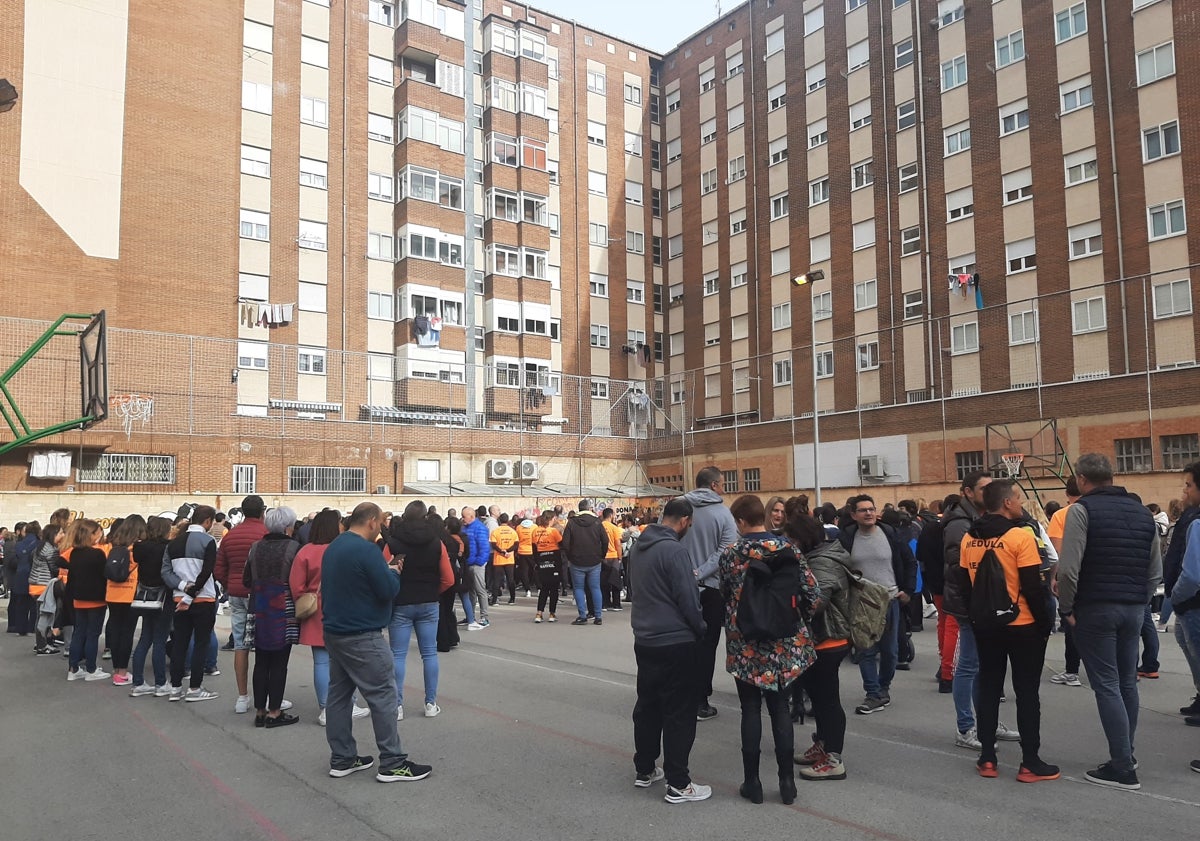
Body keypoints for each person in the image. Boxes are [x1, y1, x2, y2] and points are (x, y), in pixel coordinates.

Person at [1057, 453, 1161, 790]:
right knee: (1127, 681)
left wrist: (1066, 607)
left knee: (1107, 684)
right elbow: (1154, 571)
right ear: (1111, 478)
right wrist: (1141, 600)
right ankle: (1125, 753)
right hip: (1133, 606)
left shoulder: (1082, 511)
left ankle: (1122, 766)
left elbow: (1069, 568)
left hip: (1096, 606)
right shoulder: (1143, 513)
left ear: (1083, 481)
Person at [321, 502, 432, 782]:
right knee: (383, 695)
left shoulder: (335, 546)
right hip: (363, 633)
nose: (382, 528)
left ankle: (343, 757)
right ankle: (393, 762)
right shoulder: (367, 550)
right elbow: (387, 590)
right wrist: (394, 571)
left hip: (336, 631)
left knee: (339, 696)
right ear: (371, 521)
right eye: (381, 523)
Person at [719, 495, 819, 805]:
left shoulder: (732, 554)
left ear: (739, 522)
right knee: (780, 708)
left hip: (746, 643)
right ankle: (786, 783)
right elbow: (812, 594)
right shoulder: (789, 550)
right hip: (784, 642)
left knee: (749, 709)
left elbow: (726, 594)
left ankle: (753, 783)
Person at [960, 479, 1059, 782]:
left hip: (986, 624)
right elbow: (1032, 586)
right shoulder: (1020, 536)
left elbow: (967, 588)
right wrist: (1044, 625)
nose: (1019, 503)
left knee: (989, 688)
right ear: (1006, 503)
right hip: (1022, 624)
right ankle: (1030, 762)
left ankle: (987, 758)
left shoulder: (969, 538)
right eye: (1017, 498)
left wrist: (976, 621)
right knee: (1027, 692)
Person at [629, 497, 711, 804]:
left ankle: (645, 768)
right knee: (679, 712)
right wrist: (701, 628)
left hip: (646, 639)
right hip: (676, 641)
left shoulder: (640, 546)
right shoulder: (675, 551)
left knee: (648, 706)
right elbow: (688, 598)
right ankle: (679, 783)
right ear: (686, 520)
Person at [942, 471, 1018, 749]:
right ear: (967, 492)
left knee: (987, 667)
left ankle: (987, 721)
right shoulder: (960, 523)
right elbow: (958, 566)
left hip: (988, 603)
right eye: (983, 488)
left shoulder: (984, 519)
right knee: (969, 666)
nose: (989, 492)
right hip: (970, 605)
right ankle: (966, 727)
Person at [785, 513, 852, 781]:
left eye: (792, 538)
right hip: (819, 639)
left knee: (827, 700)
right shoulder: (817, 556)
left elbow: (816, 602)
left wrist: (789, 596)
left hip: (829, 638)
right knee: (819, 696)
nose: (789, 543)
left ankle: (834, 758)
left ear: (803, 538)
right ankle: (823, 745)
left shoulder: (823, 561)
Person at [839, 494, 917, 715]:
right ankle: (873, 693)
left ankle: (884, 688)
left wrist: (908, 591)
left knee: (890, 652)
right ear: (853, 515)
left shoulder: (891, 535)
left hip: (890, 601)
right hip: (861, 604)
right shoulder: (846, 539)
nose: (869, 513)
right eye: (863, 510)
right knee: (865, 651)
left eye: (871, 509)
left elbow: (910, 563)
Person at [679, 467, 739, 721]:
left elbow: (666, 541)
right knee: (706, 646)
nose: (724, 488)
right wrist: (699, 573)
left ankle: (680, 696)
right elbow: (725, 552)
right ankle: (700, 701)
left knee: (682, 643)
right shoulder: (724, 514)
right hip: (711, 589)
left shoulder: (677, 507)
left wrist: (685, 575)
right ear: (714, 485)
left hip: (680, 587)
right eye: (723, 484)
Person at [386, 500, 455, 721]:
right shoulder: (436, 542)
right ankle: (430, 703)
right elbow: (449, 578)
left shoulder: (393, 543)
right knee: (429, 653)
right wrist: (434, 591)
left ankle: (396, 706)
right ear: (426, 517)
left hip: (401, 602)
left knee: (397, 655)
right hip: (428, 602)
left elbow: (383, 574)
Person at [243, 507, 301, 727]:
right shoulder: (293, 547)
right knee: (280, 661)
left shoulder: (255, 547)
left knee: (261, 661)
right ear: (288, 526)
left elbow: (246, 578)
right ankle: (275, 711)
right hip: (283, 606)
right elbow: (297, 580)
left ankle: (260, 710)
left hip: (259, 605)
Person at [215, 494, 269, 714]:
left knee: (240, 644)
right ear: (262, 512)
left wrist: (230, 585)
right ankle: (266, 697)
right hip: (262, 594)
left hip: (237, 593)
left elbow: (218, 568)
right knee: (266, 646)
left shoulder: (231, 535)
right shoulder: (264, 534)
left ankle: (242, 697)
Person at [162, 505, 220, 702]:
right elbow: (207, 571)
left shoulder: (173, 543)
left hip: (179, 598)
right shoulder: (208, 541)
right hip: (203, 599)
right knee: (200, 644)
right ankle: (194, 688)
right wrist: (192, 593)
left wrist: (183, 587)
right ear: (207, 521)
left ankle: (175, 687)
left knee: (180, 643)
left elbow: (165, 572)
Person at [1163, 462, 1200, 736]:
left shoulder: (1196, 521)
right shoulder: (1190, 518)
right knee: (1185, 642)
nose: (1184, 491)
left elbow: (1192, 574)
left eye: (1189, 485)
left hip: (1192, 602)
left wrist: (1175, 595)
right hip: (1188, 603)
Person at [128, 516, 174, 697]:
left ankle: (138, 682)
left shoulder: (140, 547)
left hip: (145, 595)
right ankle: (160, 683)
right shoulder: (166, 548)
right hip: (163, 596)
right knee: (160, 641)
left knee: (144, 638)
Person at [1048, 478, 1084, 687]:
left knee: (1071, 619)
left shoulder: (1061, 515)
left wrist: (1055, 577)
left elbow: (1057, 551)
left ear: (1066, 493)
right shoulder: (1094, 511)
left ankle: (1072, 671)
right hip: (1094, 575)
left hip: (1072, 573)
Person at [65, 519, 110, 681]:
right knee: (92, 634)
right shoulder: (97, 553)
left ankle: (73, 668)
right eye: (98, 532)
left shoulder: (75, 552)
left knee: (79, 633)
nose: (100, 535)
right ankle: (91, 669)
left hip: (78, 598)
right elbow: (104, 575)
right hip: (96, 599)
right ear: (91, 534)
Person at [105, 515, 147, 686]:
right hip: (130, 594)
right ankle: (122, 672)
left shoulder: (115, 547)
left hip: (112, 593)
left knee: (115, 631)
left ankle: (117, 670)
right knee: (126, 634)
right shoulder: (139, 548)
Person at [562, 499, 609, 626]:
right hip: (594, 560)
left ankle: (582, 616)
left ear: (579, 508)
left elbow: (565, 543)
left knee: (578, 588)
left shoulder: (571, 522)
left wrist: (570, 556)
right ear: (589, 508)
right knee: (595, 588)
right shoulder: (597, 522)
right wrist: (601, 555)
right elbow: (605, 541)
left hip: (576, 561)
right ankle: (598, 616)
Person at [435, 514, 466, 651]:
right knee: (448, 609)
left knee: (441, 611)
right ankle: (453, 637)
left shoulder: (437, 542)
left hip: (441, 576)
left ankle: (443, 641)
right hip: (453, 575)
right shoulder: (453, 541)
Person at [532, 510, 564, 623]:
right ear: (551, 519)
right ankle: (552, 614)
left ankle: (539, 613)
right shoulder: (554, 531)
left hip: (541, 559)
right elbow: (562, 544)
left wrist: (537, 562)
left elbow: (534, 548)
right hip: (554, 559)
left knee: (544, 587)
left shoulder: (535, 531)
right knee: (554, 588)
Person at [461, 507, 490, 629]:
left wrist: (479, 561)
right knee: (471, 591)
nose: (462, 519)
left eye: (464, 516)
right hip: (468, 563)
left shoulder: (480, 528)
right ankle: (471, 616)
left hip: (476, 564)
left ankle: (484, 617)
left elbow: (484, 547)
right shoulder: (465, 528)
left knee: (480, 590)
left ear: (471, 516)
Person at [489, 513, 519, 606]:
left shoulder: (495, 531)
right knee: (510, 579)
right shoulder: (513, 531)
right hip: (509, 559)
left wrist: (502, 551)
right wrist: (508, 551)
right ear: (507, 520)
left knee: (497, 580)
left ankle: (494, 600)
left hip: (498, 559)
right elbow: (516, 544)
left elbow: (493, 544)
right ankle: (512, 599)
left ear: (499, 520)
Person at [601, 508, 625, 611]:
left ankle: (605, 603)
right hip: (613, 557)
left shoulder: (599, 526)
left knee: (603, 581)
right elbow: (618, 544)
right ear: (611, 515)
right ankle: (616, 604)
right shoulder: (614, 528)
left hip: (602, 557)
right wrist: (620, 557)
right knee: (615, 581)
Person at [515, 512, 536, 598]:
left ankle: (527, 590)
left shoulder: (519, 527)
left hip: (522, 551)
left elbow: (517, 539)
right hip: (532, 551)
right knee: (535, 570)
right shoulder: (535, 527)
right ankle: (539, 588)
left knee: (524, 572)